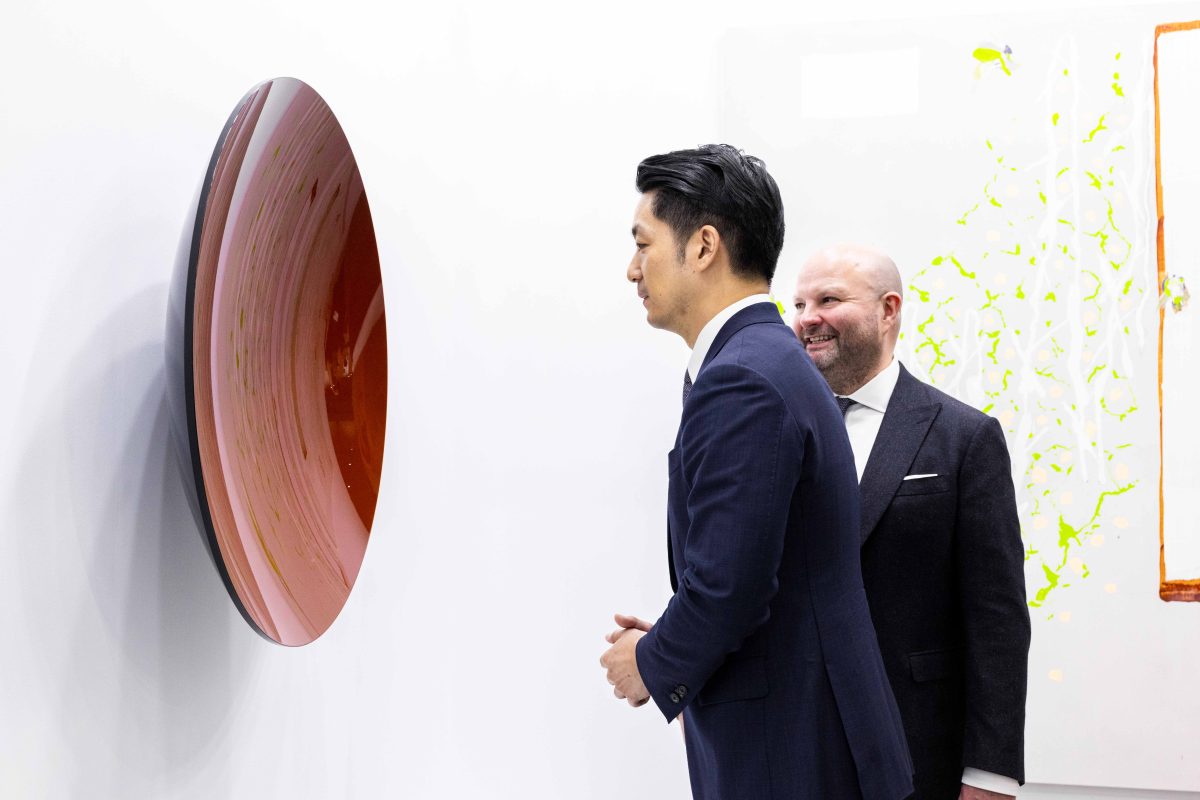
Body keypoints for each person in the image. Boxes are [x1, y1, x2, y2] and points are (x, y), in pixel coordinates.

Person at [599, 146, 913, 800]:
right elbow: (764, 567)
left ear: (703, 246)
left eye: (643, 244)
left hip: (792, 754)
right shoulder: (765, 361)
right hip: (810, 738)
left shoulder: (743, 378)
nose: (632, 269)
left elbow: (729, 588)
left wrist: (651, 663)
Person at [790, 245, 1031, 800]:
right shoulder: (774, 431)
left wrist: (990, 773)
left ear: (888, 309)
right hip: (794, 750)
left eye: (828, 300)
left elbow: (997, 619)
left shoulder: (965, 437)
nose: (807, 319)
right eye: (799, 304)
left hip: (919, 749)